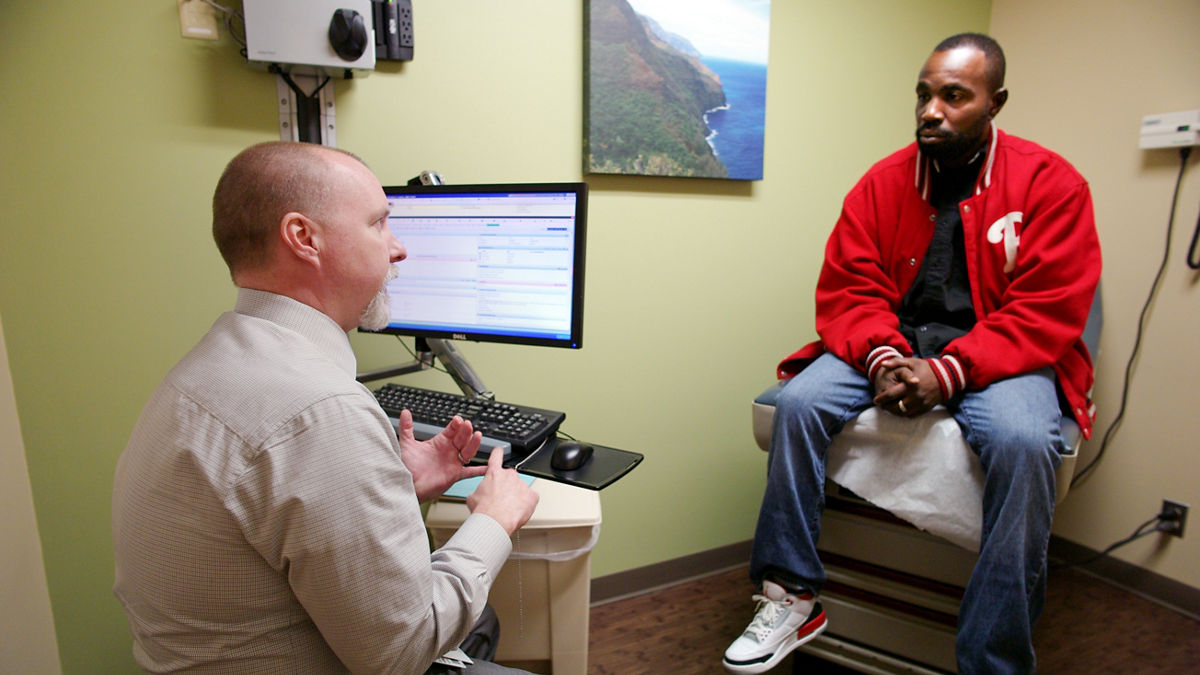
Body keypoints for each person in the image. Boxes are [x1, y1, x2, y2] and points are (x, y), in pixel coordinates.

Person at [723, 33, 1100, 674]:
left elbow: (1048, 308)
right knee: (801, 401)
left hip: (1000, 352)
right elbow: (850, 285)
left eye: (954, 96)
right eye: (924, 95)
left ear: (994, 103)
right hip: (892, 340)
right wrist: (882, 358)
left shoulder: (1052, 184)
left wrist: (950, 371)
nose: (932, 110)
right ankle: (790, 595)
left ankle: (994, 657)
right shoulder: (882, 183)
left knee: (1023, 440)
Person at [112, 141, 540, 674]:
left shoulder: (205, 367)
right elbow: (403, 652)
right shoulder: (320, 410)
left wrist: (394, 485)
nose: (398, 248)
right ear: (303, 238)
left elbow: (275, 517)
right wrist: (493, 520)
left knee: (482, 623)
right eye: (380, 223)